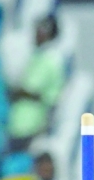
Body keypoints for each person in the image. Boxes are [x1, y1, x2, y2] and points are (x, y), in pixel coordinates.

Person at [7, 15, 64, 151]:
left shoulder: (52, 59)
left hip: (33, 124)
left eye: (39, 30)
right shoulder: (37, 55)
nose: (35, 34)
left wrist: (18, 91)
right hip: (19, 123)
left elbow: (41, 93)